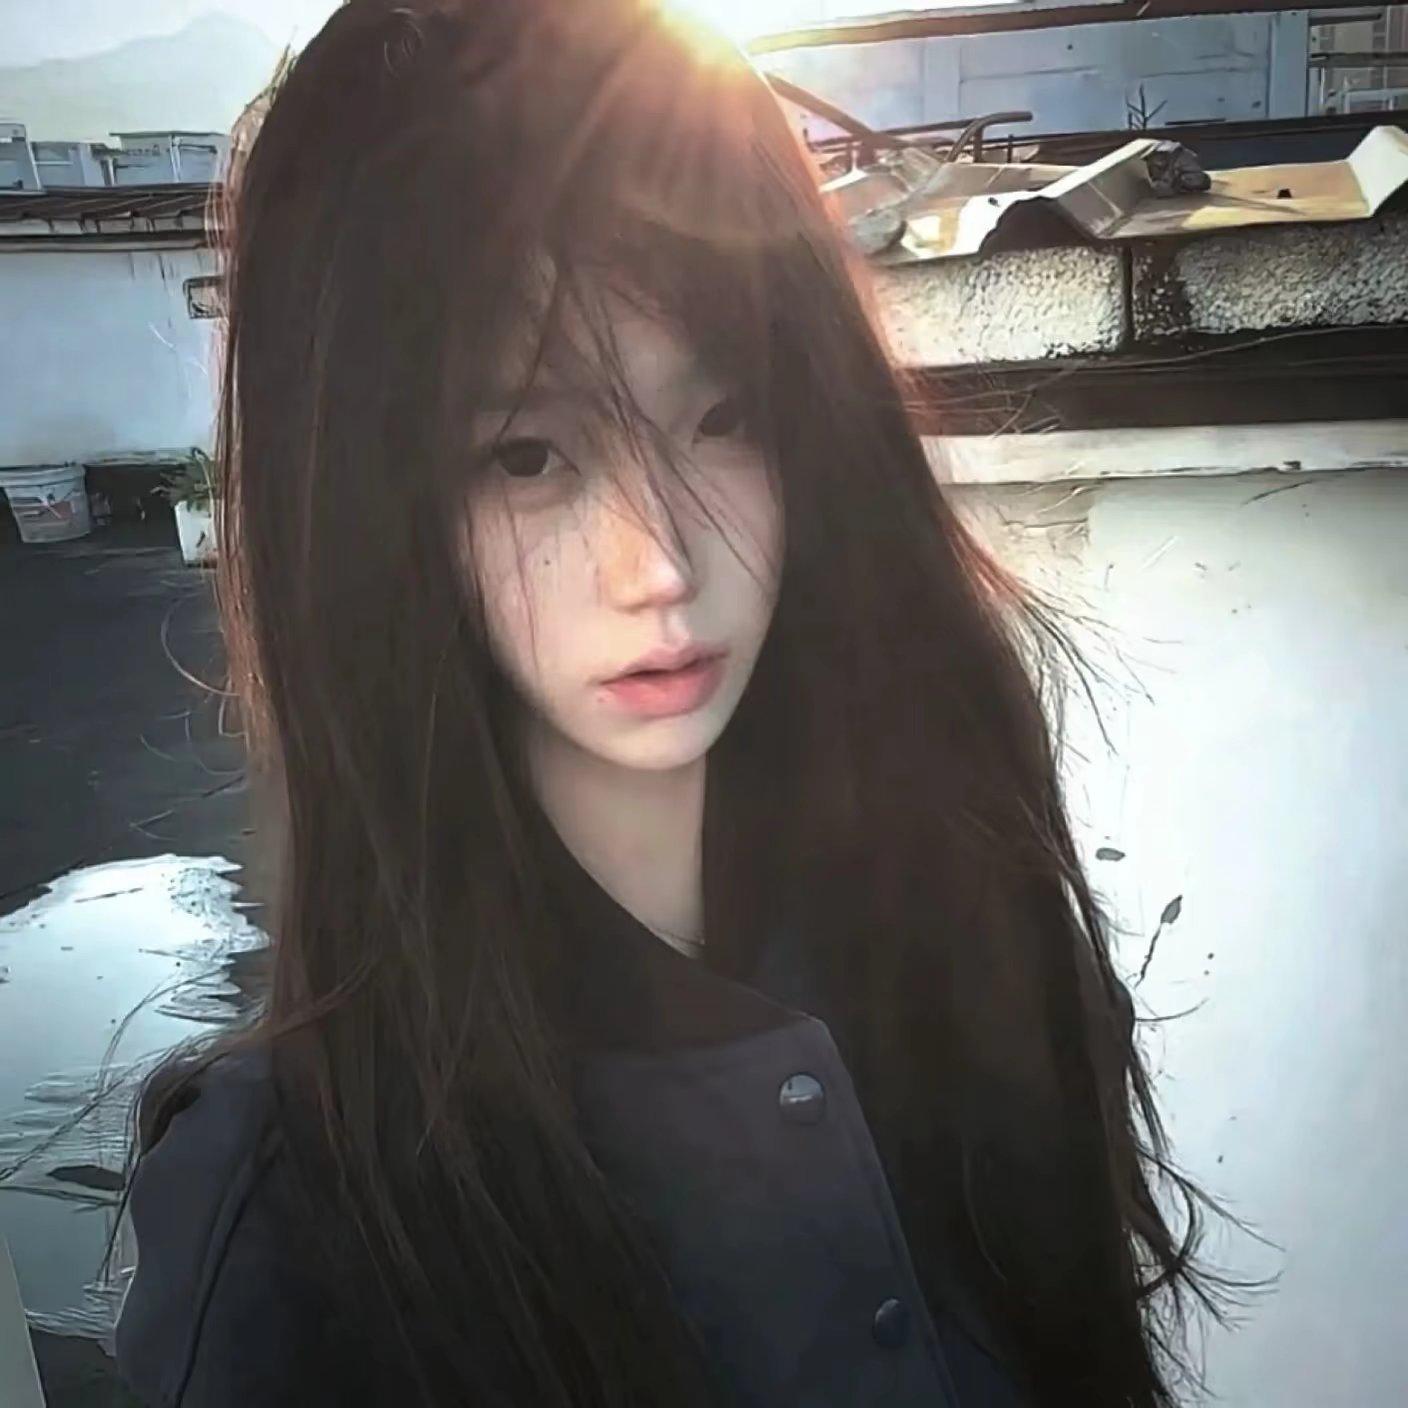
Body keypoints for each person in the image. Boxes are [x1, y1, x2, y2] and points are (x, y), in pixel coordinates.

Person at [115, 1, 1220, 1404]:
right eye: (527, 455)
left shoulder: (976, 948)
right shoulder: (290, 1219)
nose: (662, 566)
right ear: (372, 514)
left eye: (724, 418)